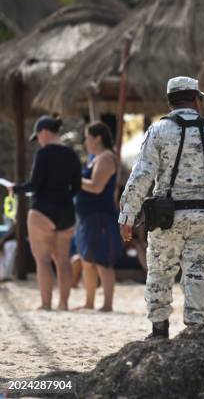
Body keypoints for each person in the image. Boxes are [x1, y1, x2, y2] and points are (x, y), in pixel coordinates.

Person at [118, 77, 204, 339]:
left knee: (160, 272)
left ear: (170, 102)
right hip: (203, 217)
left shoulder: (158, 131)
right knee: (197, 273)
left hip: (165, 217)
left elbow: (142, 175)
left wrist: (127, 215)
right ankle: (196, 332)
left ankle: (159, 330)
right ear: (197, 100)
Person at [8, 115, 81, 310]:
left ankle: (46, 304)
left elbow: (35, 184)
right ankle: (64, 304)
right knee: (63, 260)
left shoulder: (44, 154)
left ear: (44, 133)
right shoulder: (71, 154)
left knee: (43, 260)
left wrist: (15, 188)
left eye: (38, 137)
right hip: (66, 211)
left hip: (42, 211)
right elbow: (77, 187)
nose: (38, 141)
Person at [75, 122, 123, 311]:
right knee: (87, 260)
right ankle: (89, 302)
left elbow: (96, 186)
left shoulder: (106, 157)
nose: (85, 141)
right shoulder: (94, 158)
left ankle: (107, 304)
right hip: (88, 216)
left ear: (97, 138)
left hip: (101, 216)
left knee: (103, 261)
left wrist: (73, 180)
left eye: (87, 136)